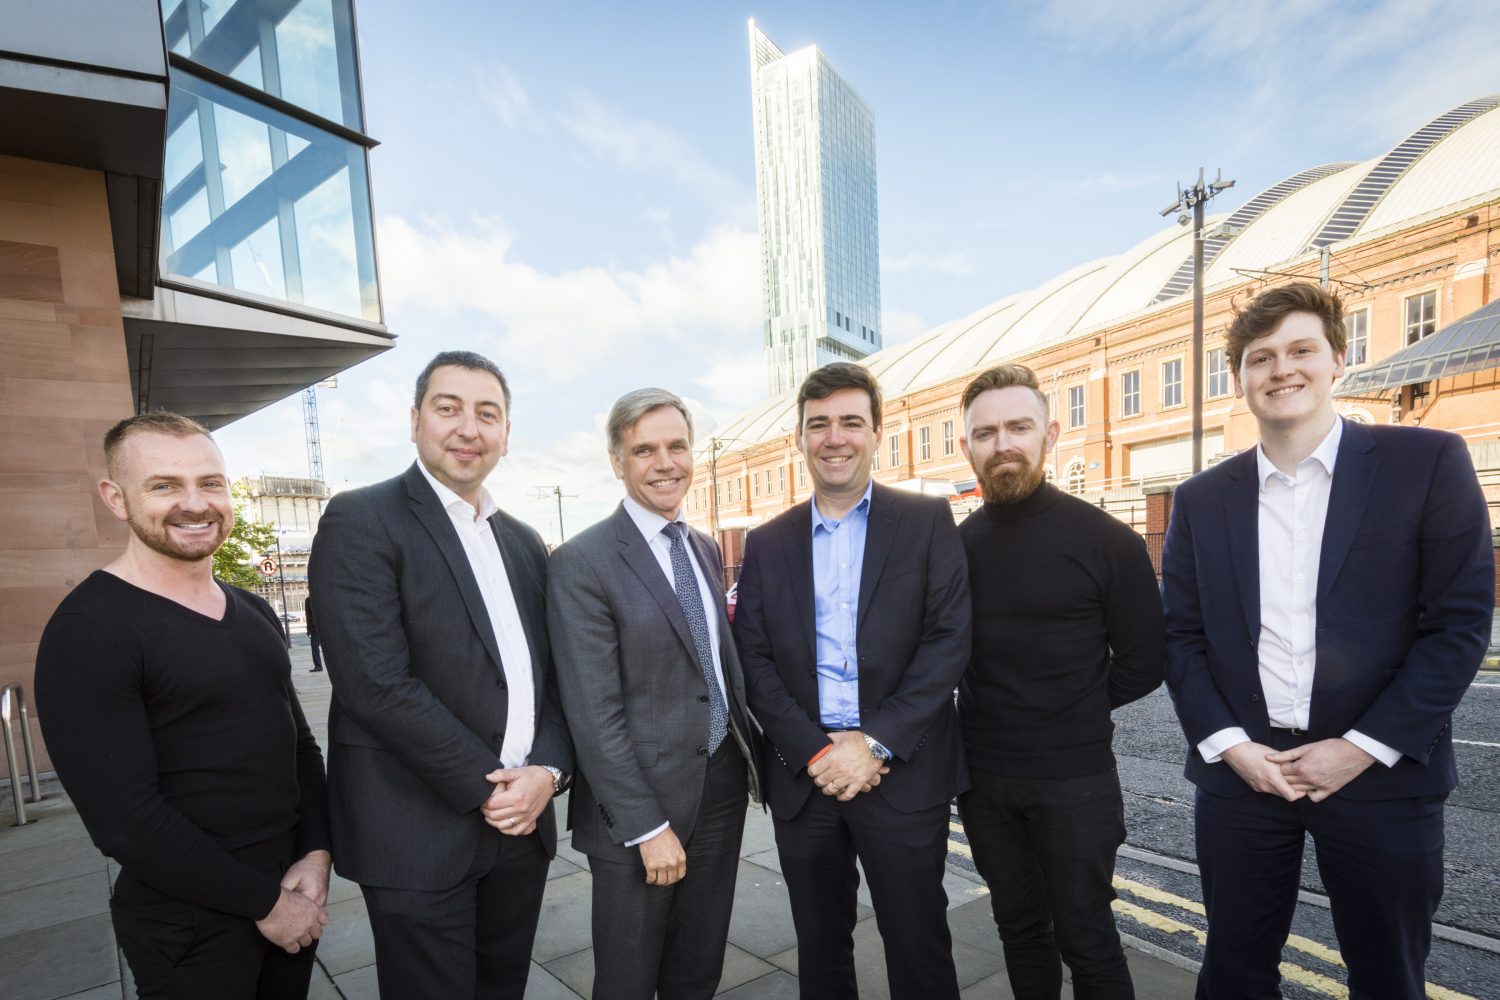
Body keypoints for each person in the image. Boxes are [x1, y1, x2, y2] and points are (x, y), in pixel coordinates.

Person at [1161, 282, 1494, 999]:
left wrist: (1359, 748)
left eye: (1301, 350)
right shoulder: (1199, 499)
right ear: (1242, 377)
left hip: (1380, 775)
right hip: (1244, 776)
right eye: (1260, 357)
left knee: (1387, 977)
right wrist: (1232, 746)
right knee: (1234, 974)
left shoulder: (1428, 462)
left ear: (1338, 360)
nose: (1281, 369)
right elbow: (1180, 637)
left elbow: (1459, 622)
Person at [35, 412, 331, 999]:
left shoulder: (254, 611)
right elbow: (124, 819)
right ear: (115, 498)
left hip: (291, 888)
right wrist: (266, 903)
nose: (194, 503)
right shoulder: (90, 630)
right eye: (164, 485)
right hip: (189, 920)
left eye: (210, 483)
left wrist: (318, 853)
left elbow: (297, 744)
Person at [307, 351, 573, 1000]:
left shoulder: (524, 543)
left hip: (522, 825)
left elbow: (556, 681)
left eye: (488, 414)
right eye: (448, 408)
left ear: (506, 435)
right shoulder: (361, 519)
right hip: (416, 831)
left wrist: (547, 772)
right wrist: (488, 788)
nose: (468, 428)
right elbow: (376, 683)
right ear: (415, 420)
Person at [733, 362, 971, 1000]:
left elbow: (948, 639)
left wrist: (874, 743)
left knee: (919, 944)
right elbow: (752, 660)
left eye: (850, 422)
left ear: (876, 433)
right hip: (804, 778)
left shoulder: (925, 522)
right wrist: (817, 751)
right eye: (818, 425)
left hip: (899, 771)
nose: (834, 437)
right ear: (800, 439)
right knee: (820, 946)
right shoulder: (767, 542)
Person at [955, 364, 1164, 1000]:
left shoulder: (1108, 541)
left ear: (1051, 435)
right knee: (1018, 929)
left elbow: (1146, 659)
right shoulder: (953, 547)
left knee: (1087, 935)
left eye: (1019, 426)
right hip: (985, 780)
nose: (1003, 443)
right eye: (986, 433)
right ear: (969, 448)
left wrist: (1070, 705)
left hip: (1075, 781)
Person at [548, 388, 760, 1000]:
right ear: (618, 461)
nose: (665, 463)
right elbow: (593, 711)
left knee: (698, 968)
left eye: (677, 446)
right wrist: (646, 827)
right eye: (645, 450)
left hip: (719, 785)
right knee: (630, 979)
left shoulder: (698, 545)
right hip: (638, 807)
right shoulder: (583, 561)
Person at [304, 599, 324, 672]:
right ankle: (318, 665)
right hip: (316, 626)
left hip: (317, 626)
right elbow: (308, 615)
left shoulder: (310, 600)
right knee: (315, 646)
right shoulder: (309, 600)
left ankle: (318, 666)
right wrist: (308, 628)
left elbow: (308, 614)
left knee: (315, 646)